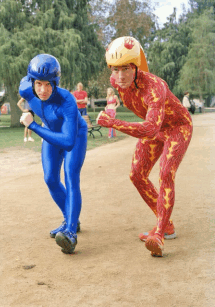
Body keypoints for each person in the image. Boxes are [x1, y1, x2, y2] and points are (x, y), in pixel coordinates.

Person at [97, 36, 193, 257]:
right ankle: (166, 224)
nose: (120, 77)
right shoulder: (116, 82)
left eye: (126, 69)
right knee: (136, 175)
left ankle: (159, 234)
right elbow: (151, 128)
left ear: (136, 67)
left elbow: (149, 128)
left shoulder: (155, 87)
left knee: (166, 173)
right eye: (115, 69)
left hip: (177, 127)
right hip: (157, 129)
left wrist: (113, 123)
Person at [19, 54, 88, 254]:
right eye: (38, 84)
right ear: (32, 82)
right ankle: (71, 219)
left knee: (71, 177)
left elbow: (67, 142)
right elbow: (25, 87)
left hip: (74, 135)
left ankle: (70, 234)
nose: (42, 90)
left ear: (56, 82)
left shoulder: (66, 100)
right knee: (50, 178)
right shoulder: (25, 87)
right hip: (50, 130)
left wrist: (32, 125)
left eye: (48, 84)